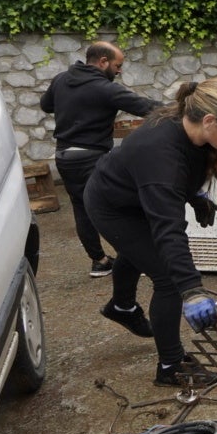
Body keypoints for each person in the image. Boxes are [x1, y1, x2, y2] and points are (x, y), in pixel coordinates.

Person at [85, 77, 217, 388]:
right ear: (209, 120)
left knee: (137, 253)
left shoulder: (188, 128)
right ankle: (171, 366)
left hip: (135, 194)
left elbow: (182, 171)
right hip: (113, 207)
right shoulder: (161, 155)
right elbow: (170, 232)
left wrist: (195, 196)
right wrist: (192, 290)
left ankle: (121, 307)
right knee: (166, 276)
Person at [39, 41, 159, 277]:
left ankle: (99, 261)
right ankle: (137, 259)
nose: (119, 71)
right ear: (103, 61)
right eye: (117, 65)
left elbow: (46, 105)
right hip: (91, 158)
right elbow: (145, 107)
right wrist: (184, 109)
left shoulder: (61, 79)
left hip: (64, 156)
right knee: (120, 207)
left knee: (81, 207)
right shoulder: (105, 88)